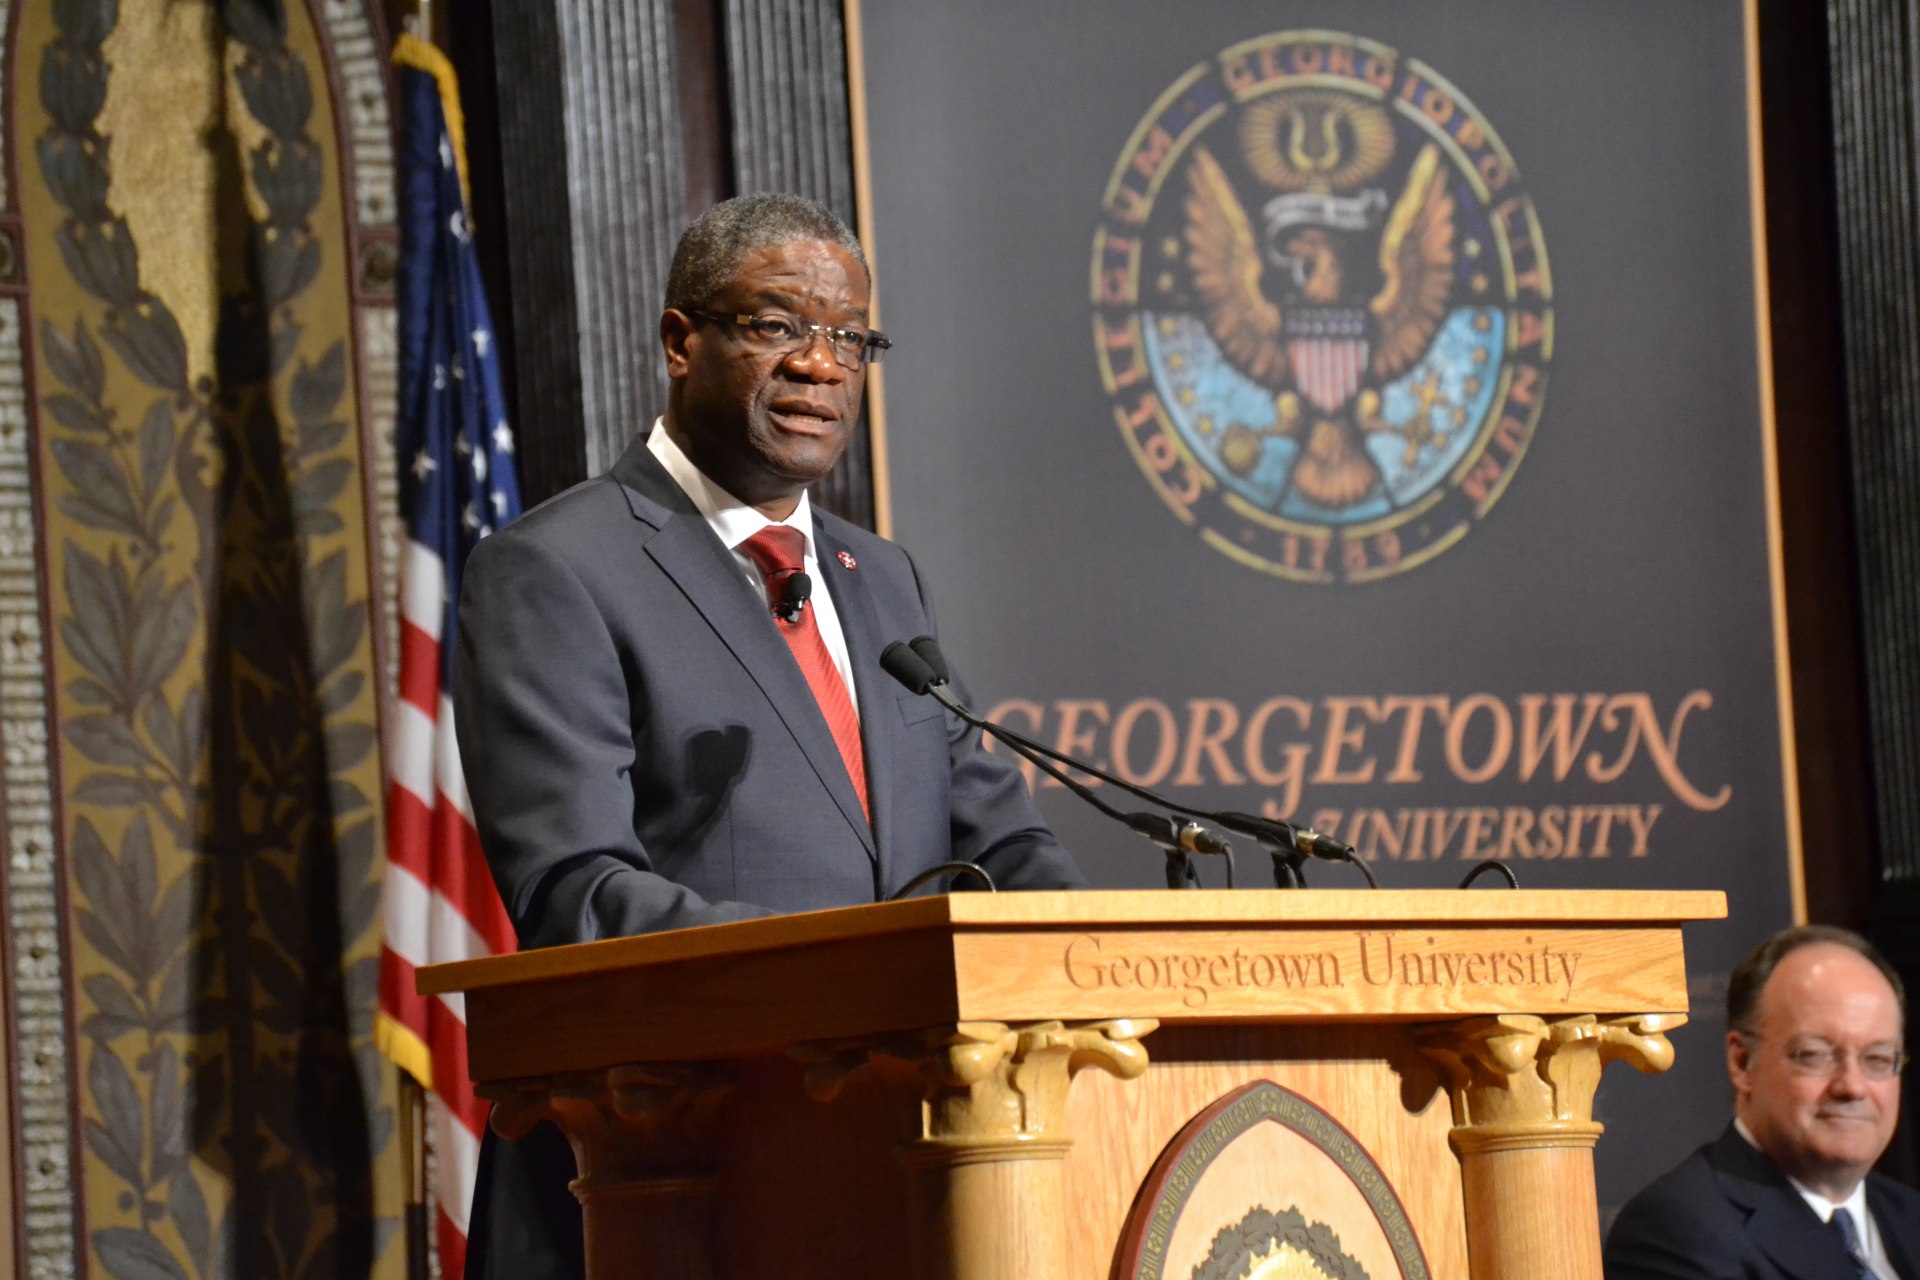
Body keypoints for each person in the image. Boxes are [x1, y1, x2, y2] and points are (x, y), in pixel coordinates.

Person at [451, 193, 1085, 1278]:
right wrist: (851, 984)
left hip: (913, 1164)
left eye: (849, 337)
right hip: (676, 1175)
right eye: (777, 325)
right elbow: (578, 891)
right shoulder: (556, 569)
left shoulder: (882, 577)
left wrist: (1085, 962)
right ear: (680, 341)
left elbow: (1000, 838)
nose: (820, 365)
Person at [1605, 925, 1919, 1279]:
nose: (1852, 1086)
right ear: (1742, 1063)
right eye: (1814, 1054)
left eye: (1878, 1059)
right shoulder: (1676, 1230)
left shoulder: (1909, 1216)